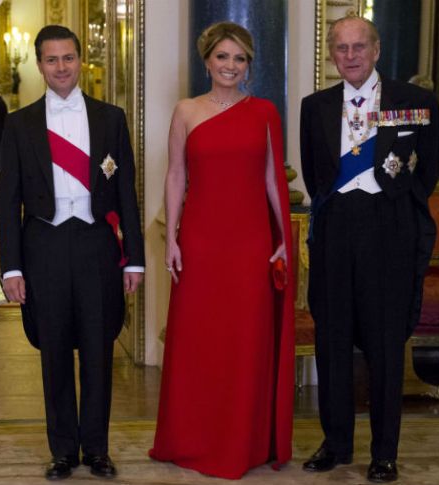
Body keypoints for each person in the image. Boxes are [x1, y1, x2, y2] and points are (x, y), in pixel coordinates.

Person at [0, 25, 144, 480]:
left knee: (99, 351)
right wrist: (13, 267)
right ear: (39, 64)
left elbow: (126, 193)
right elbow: (8, 203)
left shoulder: (110, 118)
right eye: (51, 60)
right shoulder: (19, 124)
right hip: (43, 246)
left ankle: (97, 449)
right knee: (55, 351)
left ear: (81, 60)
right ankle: (63, 449)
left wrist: (134, 257)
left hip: (97, 244)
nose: (61, 67)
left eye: (68, 58)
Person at [148, 21, 295, 479]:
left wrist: (282, 242)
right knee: (199, 343)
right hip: (202, 243)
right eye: (223, 57)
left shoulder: (265, 112)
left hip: (250, 244)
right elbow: (175, 176)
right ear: (207, 60)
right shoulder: (186, 111)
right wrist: (171, 236)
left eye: (240, 58)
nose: (231, 66)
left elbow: (273, 178)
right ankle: (191, 438)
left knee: (244, 343)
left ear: (248, 66)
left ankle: (243, 444)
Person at [299, 14, 439, 483]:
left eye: (359, 47)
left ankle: (384, 452)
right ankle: (336, 444)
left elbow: (425, 172)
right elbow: (317, 174)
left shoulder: (415, 101)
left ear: (377, 50)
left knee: (383, 346)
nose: (351, 56)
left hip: (389, 231)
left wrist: (395, 218)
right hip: (337, 231)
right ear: (332, 54)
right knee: (333, 340)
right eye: (342, 48)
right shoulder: (314, 106)